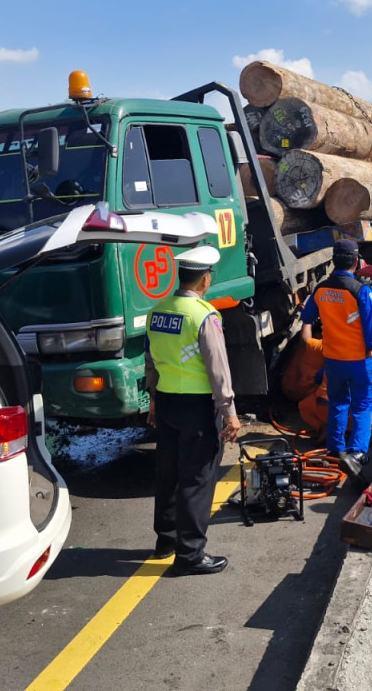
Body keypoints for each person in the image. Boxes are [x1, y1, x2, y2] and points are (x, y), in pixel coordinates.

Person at [144, 245, 241, 576]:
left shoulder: (157, 311)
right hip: (198, 408)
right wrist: (229, 412)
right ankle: (189, 555)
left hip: (168, 401)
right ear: (205, 279)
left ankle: (166, 541)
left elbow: (152, 360)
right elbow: (218, 369)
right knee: (197, 479)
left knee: (168, 474)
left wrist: (154, 400)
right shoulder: (204, 315)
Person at [300, 239, 372, 481]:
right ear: (356, 262)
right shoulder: (362, 291)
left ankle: (334, 450)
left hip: (332, 360)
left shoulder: (321, 289)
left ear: (333, 261)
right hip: (358, 361)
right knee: (363, 406)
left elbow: (307, 318)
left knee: (337, 402)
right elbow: (371, 331)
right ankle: (357, 453)